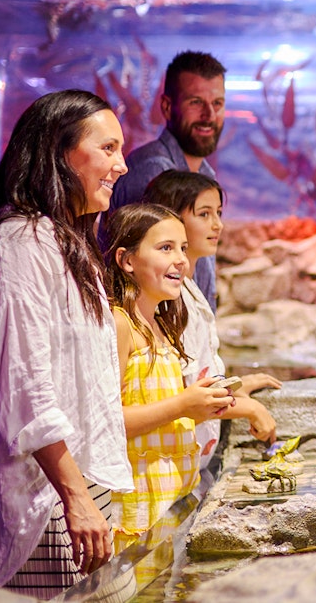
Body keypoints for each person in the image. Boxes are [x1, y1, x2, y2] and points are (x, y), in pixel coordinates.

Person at [0, 90, 134, 597]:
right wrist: (75, 496)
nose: (120, 165)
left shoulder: (62, 239)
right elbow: (23, 387)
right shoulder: (19, 244)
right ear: (59, 151)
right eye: (108, 148)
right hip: (40, 502)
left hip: (77, 486)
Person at [102, 203, 236, 550]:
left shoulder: (162, 326)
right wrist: (182, 406)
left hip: (171, 504)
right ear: (127, 260)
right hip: (136, 513)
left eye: (183, 249)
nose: (181, 260)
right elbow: (109, 423)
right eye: (165, 248)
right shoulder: (120, 325)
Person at [141, 170, 279, 472]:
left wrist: (236, 387)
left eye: (218, 213)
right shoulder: (165, 297)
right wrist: (250, 408)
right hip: (166, 468)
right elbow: (185, 395)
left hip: (192, 461)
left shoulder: (187, 287)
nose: (218, 224)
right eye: (204, 214)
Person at [101, 50, 227, 311]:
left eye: (217, 104)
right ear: (168, 107)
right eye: (196, 102)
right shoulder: (152, 171)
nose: (209, 115)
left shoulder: (205, 175)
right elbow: (141, 280)